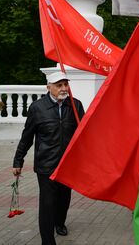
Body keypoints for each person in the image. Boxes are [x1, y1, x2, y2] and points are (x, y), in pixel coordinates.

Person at [12, 72, 85, 245]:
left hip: (68, 164)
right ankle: (47, 240)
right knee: (47, 203)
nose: (63, 89)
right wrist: (18, 160)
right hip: (46, 165)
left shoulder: (75, 105)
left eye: (65, 85)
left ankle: (59, 223)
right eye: (59, 85)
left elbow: (84, 133)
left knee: (64, 198)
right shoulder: (37, 108)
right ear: (48, 87)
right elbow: (27, 136)